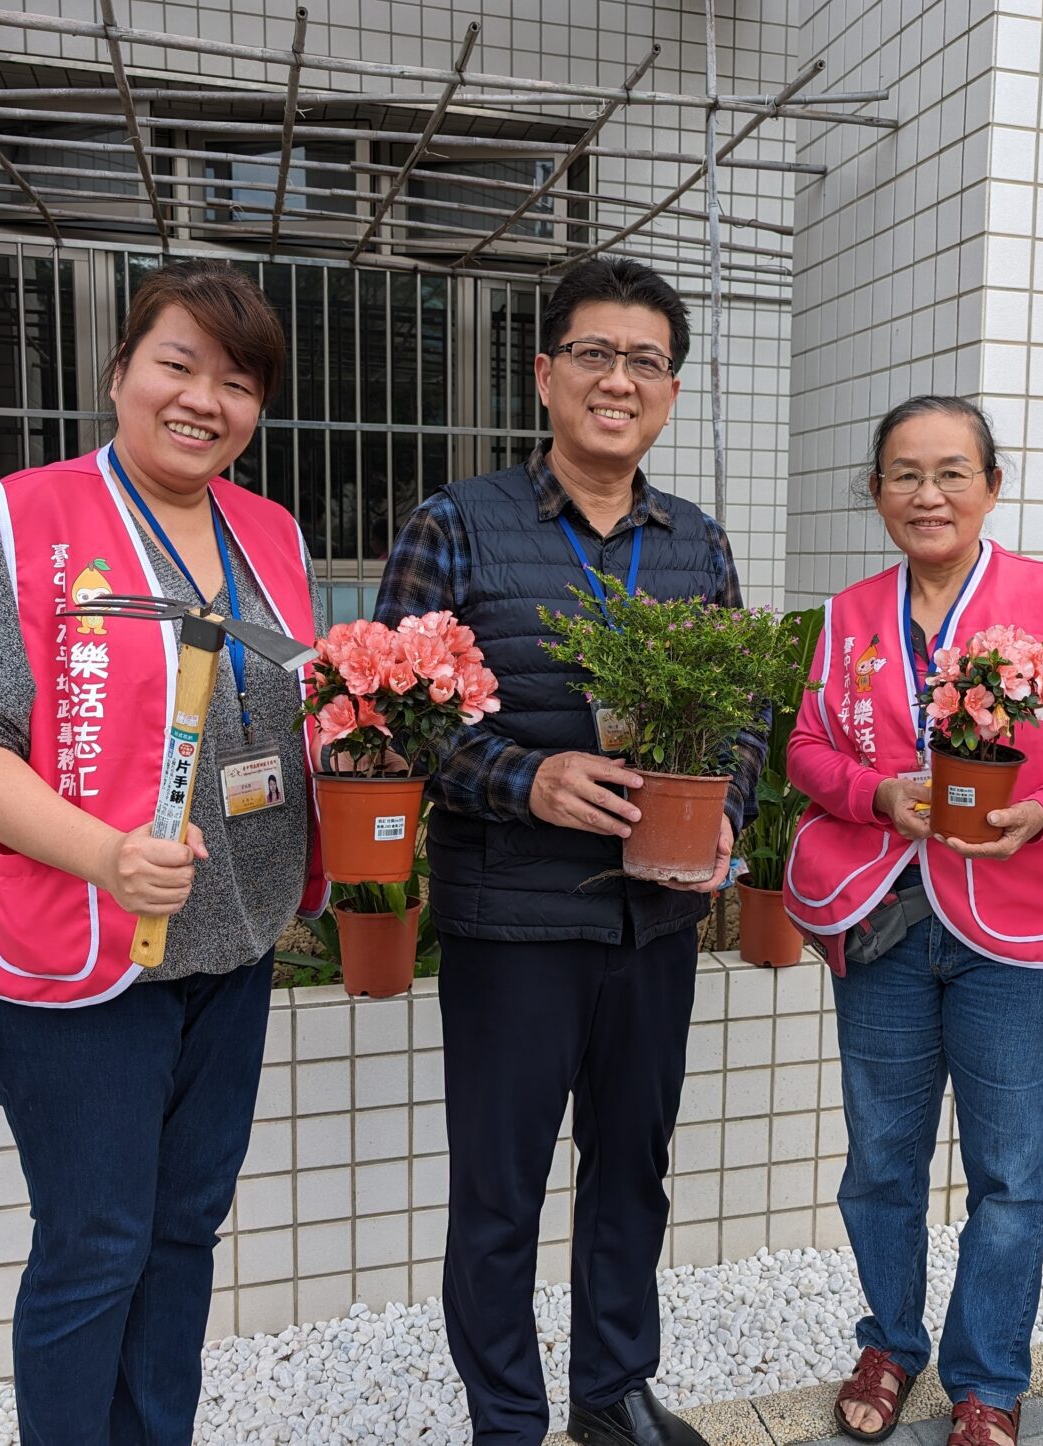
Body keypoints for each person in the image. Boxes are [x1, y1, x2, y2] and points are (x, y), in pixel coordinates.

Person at [0, 260, 326, 1442]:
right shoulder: (22, 519)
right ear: (121, 371)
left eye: (237, 382)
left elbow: (291, 702)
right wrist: (103, 854)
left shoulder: (268, 533)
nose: (203, 401)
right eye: (177, 365)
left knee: (183, 1231)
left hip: (229, 948)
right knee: (97, 1244)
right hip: (77, 953)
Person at [372, 255, 761, 1446]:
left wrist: (729, 812)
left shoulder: (695, 544)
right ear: (545, 375)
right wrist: (525, 778)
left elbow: (741, 716)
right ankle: (507, 1417)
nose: (618, 380)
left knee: (631, 1169)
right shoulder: (457, 524)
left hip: (654, 919)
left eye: (646, 361)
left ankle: (613, 1392)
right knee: (500, 1188)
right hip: (514, 919)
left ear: (672, 391)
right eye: (594, 354)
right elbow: (389, 713)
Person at [783, 396, 1043, 1446]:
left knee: (1011, 1175)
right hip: (887, 924)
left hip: (1023, 930)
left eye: (952, 472)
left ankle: (988, 1379)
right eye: (905, 473)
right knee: (882, 1161)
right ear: (875, 492)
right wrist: (873, 793)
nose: (928, 494)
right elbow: (805, 748)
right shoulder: (848, 615)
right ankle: (891, 1344)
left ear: (992, 486)